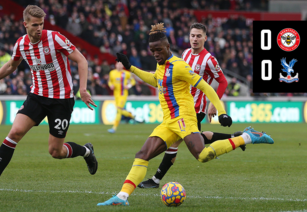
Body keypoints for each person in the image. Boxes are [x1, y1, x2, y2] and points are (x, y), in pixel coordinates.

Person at [97, 23, 274, 206]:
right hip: (168, 121)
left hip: (184, 117)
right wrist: (130, 67)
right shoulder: (162, 64)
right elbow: (155, 79)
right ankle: (122, 196)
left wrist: (220, 111)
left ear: (167, 47)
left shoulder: (180, 65)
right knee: (142, 154)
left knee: (202, 155)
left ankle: (246, 137)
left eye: (158, 50)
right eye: (152, 50)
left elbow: (205, 85)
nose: (155, 53)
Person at [0, 5, 98, 196]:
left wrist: (83, 89)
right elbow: (11, 66)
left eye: (41, 24)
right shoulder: (21, 44)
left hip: (61, 100)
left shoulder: (55, 38)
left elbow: (82, 60)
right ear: (25, 24)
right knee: (15, 132)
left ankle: (86, 152)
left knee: (56, 152)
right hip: (37, 96)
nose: (39, 28)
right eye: (35, 25)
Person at [138, 22, 245, 189]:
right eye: (192, 35)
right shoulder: (185, 54)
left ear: (205, 38)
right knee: (198, 139)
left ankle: (156, 179)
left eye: (198, 36)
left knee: (175, 143)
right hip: (181, 105)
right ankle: (235, 137)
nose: (195, 39)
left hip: (196, 107)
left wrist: (214, 104)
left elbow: (222, 81)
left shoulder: (209, 60)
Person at [107, 62, 138, 133]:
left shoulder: (126, 73)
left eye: (121, 64)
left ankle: (114, 128)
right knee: (119, 110)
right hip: (116, 95)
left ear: (123, 66)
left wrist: (128, 86)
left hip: (123, 94)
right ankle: (132, 116)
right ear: (115, 65)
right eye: (118, 64)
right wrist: (110, 85)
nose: (119, 65)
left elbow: (133, 81)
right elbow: (109, 81)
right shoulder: (112, 72)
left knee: (118, 110)